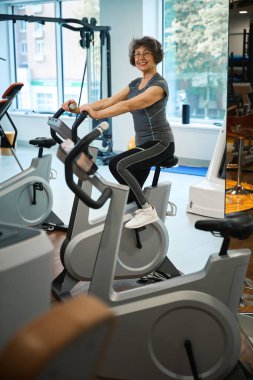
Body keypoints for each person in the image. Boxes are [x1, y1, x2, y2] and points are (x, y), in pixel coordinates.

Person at [62, 36, 175, 230]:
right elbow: (109, 101)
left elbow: (128, 105)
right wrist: (78, 109)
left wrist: (96, 115)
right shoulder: (135, 84)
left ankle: (148, 210)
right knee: (130, 197)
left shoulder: (158, 86)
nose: (141, 57)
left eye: (146, 53)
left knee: (117, 164)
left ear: (156, 57)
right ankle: (133, 230)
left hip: (160, 144)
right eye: (137, 54)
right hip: (143, 144)